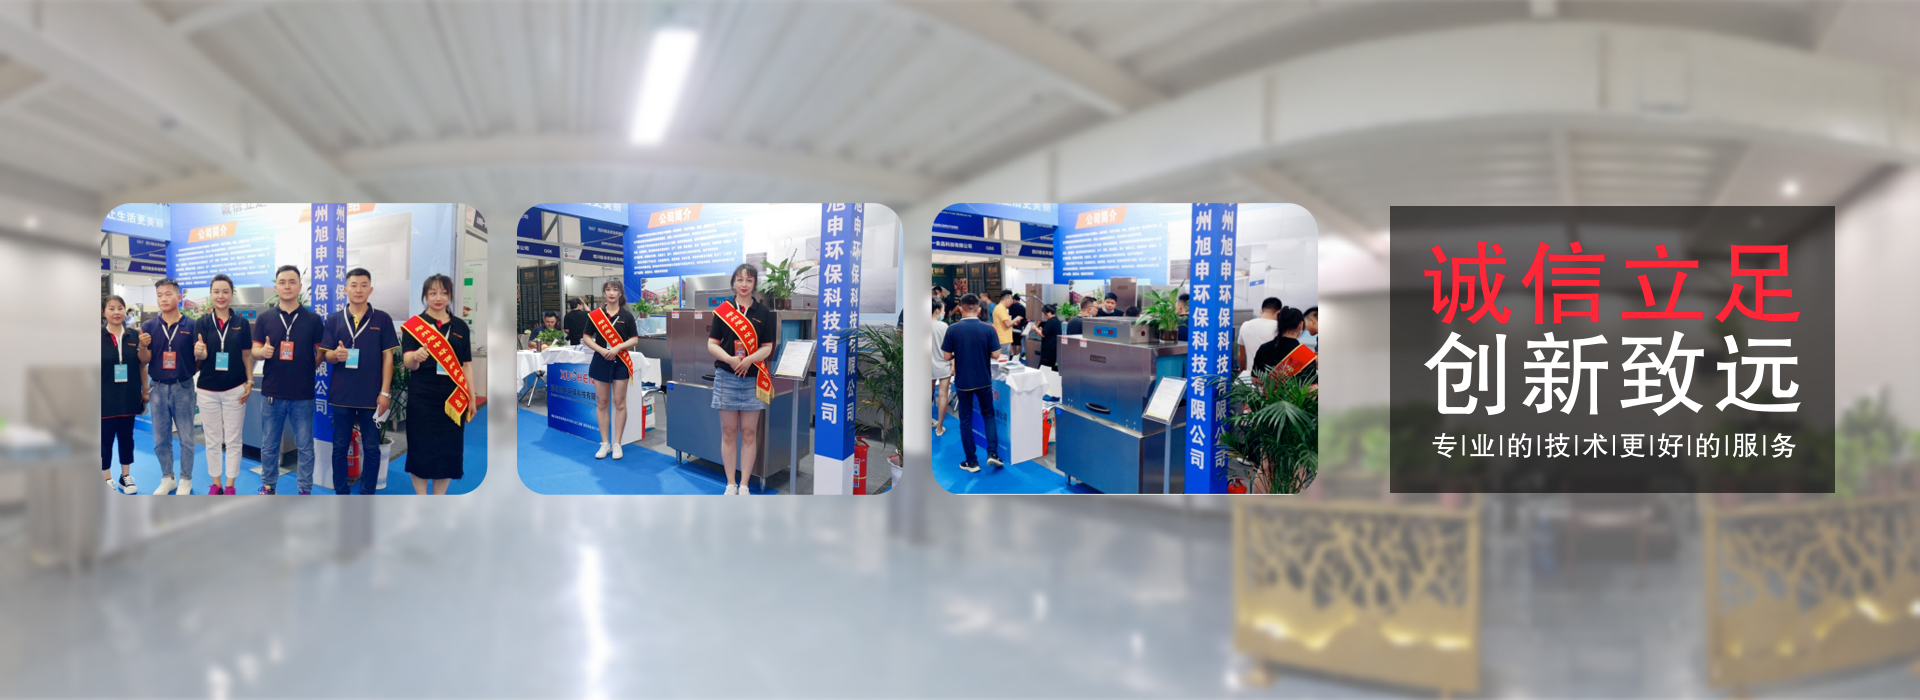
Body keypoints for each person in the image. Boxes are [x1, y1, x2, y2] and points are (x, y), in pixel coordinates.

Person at [322, 268, 399, 495]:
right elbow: (327, 355)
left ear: (370, 289)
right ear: (345, 290)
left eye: (364, 285)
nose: (358, 290)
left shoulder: (382, 319)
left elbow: (388, 357)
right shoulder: (334, 319)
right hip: (342, 395)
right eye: (354, 285)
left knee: (372, 448)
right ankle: (341, 492)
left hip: (371, 396)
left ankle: (367, 494)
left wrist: (384, 393)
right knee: (339, 447)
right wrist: (336, 355)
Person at [251, 265, 326, 495]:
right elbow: (254, 350)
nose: (287, 286)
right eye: (282, 282)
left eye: (292, 282)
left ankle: (304, 489)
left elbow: (320, 352)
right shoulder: (265, 318)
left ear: (300, 286)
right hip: (272, 393)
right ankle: (268, 486)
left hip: (302, 394)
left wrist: (306, 368)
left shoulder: (313, 319)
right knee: (269, 445)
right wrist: (262, 352)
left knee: (305, 446)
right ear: (276, 287)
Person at [707, 264, 777, 495]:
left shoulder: (763, 312)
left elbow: (767, 347)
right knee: (728, 432)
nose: (744, 284)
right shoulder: (723, 311)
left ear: (754, 283)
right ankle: (730, 483)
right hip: (726, 376)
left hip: (753, 379)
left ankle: (744, 484)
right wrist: (730, 359)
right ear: (734, 283)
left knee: (749, 433)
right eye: (739, 279)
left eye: (749, 280)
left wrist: (748, 360)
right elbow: (712, 344)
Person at [402, 274, 475, 495]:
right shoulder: (415, 326)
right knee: (420, 449)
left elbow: (466, 366)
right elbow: (408, 363)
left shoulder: (460, 326)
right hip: (422, 397)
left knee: (447, 451)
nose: (438, 297)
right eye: (433, 293)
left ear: (450, 296)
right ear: (425, 295)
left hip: (452, 398)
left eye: (444, 293)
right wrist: (416, 356)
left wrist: (471, 398)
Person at [139, 277, 198, 496]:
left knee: (187, 438)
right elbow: (144, 360)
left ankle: (185, 479)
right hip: (158, 388)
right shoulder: (149, 326)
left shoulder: (191, 325)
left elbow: (198, 360)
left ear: (179, 297)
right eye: (159, 295)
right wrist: (142, 346)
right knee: (160, 439)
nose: (163, 299)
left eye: (168, 294)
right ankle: (168, 477)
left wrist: (188, 370)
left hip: (183, 388)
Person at [194, 274, 252, 494]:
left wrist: (249, 380)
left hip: (235, 388)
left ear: (231, 294)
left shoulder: (241, 323)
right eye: (216, 291)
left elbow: (247, 355)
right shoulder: (202, 322)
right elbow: (198, 358)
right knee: (212, 439)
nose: (221, 296)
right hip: (207, 389)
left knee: (234, 439)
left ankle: (230, 485)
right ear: (211, 294)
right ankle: (216, 483)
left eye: (225, 291)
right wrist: (199, 352)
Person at [940, 294, 1002, 473]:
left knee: (966, 420)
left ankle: (972, 462)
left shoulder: (953, 329)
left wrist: (958, 353)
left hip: (963, 382)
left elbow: (946, 356)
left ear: (960, 308)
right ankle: (993, 454)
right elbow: (996, 354)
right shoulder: (988, 328)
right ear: (979, 309)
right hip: (984, 380)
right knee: (988, 415)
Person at [581, 280, 640, 460]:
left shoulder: (627, 316)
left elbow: (634, 339)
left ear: (620, 293)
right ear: (604, 293)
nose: (612, 293)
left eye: (615, 290)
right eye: (608, 290)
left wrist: (618, 347)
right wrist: (601, 350)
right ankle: (605, 443)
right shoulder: (596, 315)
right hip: (600, 361)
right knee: (602, 402)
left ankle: (617, 443)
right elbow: (586, 337)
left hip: (620, 361)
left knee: (619, 403)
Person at [102, 295, 144, 494]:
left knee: (127, 438)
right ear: (104, 312)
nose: (116, 312)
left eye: (120, 308)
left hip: (128, 396)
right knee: (105, 441)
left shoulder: (134, 335)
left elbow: (142, 365)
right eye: (111, 308)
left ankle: (125, 476)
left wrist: (145, 391)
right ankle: (106, 477)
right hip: (104, 398)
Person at [1253, 307, 1318, 384]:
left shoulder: (1263, 349)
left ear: (1278, 324)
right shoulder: (1307, 356)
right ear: (1300, 325)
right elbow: (1312, 388)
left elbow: (1255, 380)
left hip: (1266, 392)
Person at [1237, 297, 1283, 379]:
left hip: (1249, 376)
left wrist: (1242, 369)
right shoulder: (1280, 328)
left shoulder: (1245, 325)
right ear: (1279, 312)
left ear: (1261, 311)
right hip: (1271, 380)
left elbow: (1241, 354)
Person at [930, 297, 952, 437]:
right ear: (937, 310)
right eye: (943, 310)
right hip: (944, 365)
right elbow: (949, 348)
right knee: (943, 395)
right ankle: (939, 428)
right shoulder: (943, 326)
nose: (944, 313)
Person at [992, 289, 1017, 357]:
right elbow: (1007, 324)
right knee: (1004, 360)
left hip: (1004, 339)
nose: (1011, 302)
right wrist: (1016, 319)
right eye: (1011, 300)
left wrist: (1013, 323)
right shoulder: (1000, 308)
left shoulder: (1001, 308)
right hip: (1003, 340)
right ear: (1006, 299)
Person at [1037, 304, 1062, 370]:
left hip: (1048, 350)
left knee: (1043, 368)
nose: (1045, 316)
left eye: (1045, 314)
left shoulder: (1050, 321)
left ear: (1049, 313)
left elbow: (1043, 334)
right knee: (1050, 368)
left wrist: (1035, 328)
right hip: (1054, 349)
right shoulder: (1057, 321)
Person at [1007, 293, 1028, 359]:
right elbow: (1025, 318)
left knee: (1010, 342)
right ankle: (1016, 356)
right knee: (1018, 342)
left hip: (1011, 327)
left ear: (1014, 299)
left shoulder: (1011, 307)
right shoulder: (1023, 307)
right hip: (1019, 328)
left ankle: (1011, 354)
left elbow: (1009, 316)